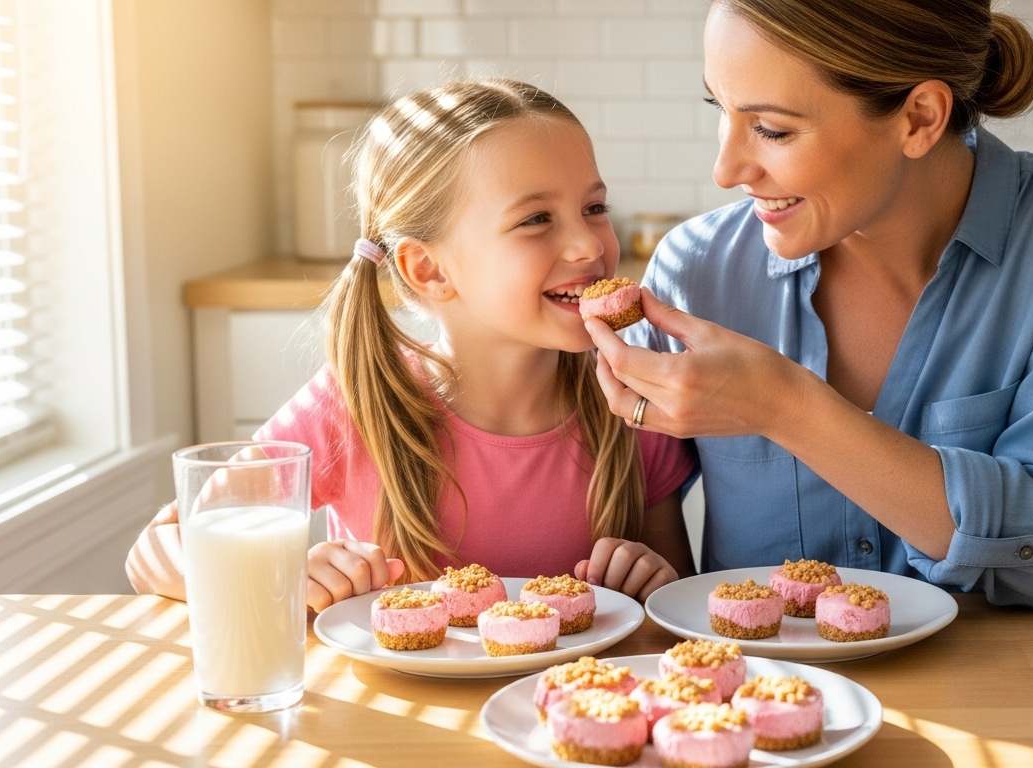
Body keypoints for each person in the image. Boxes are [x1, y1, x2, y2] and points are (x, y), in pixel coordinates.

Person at [585, 0, 1033, 610]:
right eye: (720, 111)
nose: (726, 169)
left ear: (918, 118)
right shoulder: (697, 271)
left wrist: (785, 406)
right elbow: (643, 548)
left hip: (1012, 699)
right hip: (762, 695)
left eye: (772, 129)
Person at [127, 80, 697, 611]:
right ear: (428, 269)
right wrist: (275, 574)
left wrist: (651, 579)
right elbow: (159, 550)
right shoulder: (354, 407)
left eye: (594, 209)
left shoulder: (632, 404)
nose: (587, 245)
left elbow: (673, 601)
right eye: (536, 219)